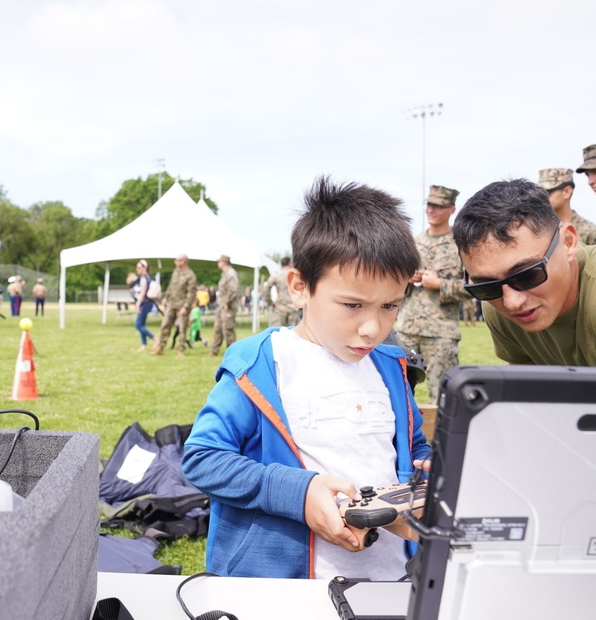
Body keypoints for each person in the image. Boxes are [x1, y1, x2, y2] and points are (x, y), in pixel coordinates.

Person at [181, 176, 431, 580]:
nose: (373, 327)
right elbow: (202, 459)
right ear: (299, 287)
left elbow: (414, 445)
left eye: (390, 306)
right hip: (284, 595)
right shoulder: (261, 366)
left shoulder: (391, 367)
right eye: (352, 305)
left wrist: (426, 475)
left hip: (391, 581)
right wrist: (300, 493)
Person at [453, 178, 596, 373]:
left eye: (527, 275)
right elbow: (528, 387)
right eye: (486, 286)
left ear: (568, 243)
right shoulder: (498, 305)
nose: (512, 302)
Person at [395, 185, 475, 400]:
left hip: (440, 333)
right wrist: (406, 279)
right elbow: (392, 284)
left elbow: (474, 287)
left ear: (452, 209)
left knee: (442, 396)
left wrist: (440, 284)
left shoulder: (461, 245)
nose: (432, 210)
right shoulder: (413, 243)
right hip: (407, 328)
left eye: (439, 206)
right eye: (429, 204)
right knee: (396, 391)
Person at [538, 168, 596, 246]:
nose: (542, 198)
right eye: (540, 194)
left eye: (548, 193)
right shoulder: (537, 229)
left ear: (567, 191)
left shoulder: (590, 233)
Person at [151, 254, 197, 357]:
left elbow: (191, 292)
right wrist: (166, 297)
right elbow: (171, 286)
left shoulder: (190, 275)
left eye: (177, 260)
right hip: (172, 303)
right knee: (165, 325)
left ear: (183, 261)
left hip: (182, 305)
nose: (175, 262)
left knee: (182, 328)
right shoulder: (175, 272)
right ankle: (160, 347)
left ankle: (181, 350)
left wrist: (186, 307)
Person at [209, 255, 240, 357]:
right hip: (221, 306)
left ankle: (233, 353)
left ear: (224, 262)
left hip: (228, 307)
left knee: (228, 329)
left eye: (219, 262)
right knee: (218, 328)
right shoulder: (225, 274)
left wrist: (227, 302)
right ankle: (214, 350)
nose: (218, 264)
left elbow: (233, 289)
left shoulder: (231, 273)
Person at [261, 256, 299, 327]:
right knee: (294, 335)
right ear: (290, 264)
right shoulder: (295, 276)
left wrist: (270, 302)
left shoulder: (276, 275)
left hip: (280, 308)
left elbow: (265, 289)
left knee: (277, 334)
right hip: (293, 307)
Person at [132, 260, 155, 352]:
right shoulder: (148, 277)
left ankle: (155, 339)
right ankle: (144, 345)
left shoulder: (143, 278)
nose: (137, 269)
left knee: (138, 325)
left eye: (139, 267)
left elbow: (143, 292)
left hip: (144, 303)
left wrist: (138, 303)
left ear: (145, 268)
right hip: (147, 303)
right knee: (141, 324)